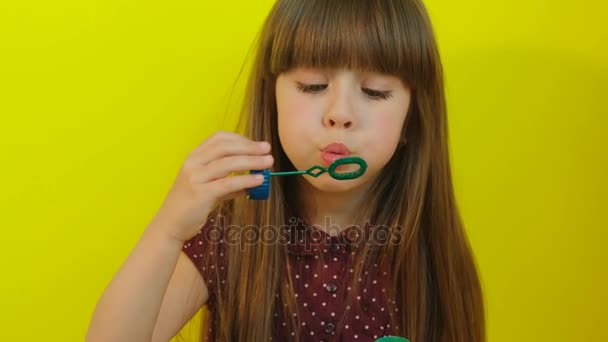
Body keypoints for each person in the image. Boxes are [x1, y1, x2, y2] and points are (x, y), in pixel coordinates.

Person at [86, 0, 485, 341]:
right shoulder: (230, 238)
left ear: (412, 122)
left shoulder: (428, 250)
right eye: (312, 86)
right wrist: (168, 230)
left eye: (375, 91)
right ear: (272, 97)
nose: (340, 114)